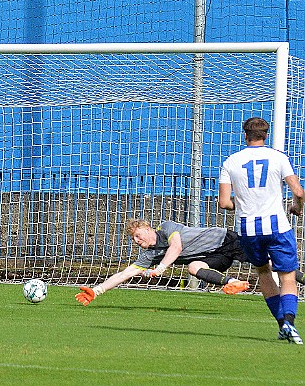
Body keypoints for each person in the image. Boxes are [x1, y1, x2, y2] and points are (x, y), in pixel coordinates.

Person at [218, 116, 304, 345]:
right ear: (266, 135)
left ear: (245, 135)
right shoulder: (278, 157)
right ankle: (289, 322)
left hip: (248, 229)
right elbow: (299, 190)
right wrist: (297, 207)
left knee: (264, 272)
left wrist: (245, 203)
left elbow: (224, 202)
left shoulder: (231, 161)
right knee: (287, 276)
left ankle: (281, 325)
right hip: (278, 227)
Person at [75, 218, 251, 306]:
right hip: (214, 256)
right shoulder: (150, 254)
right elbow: (125, 273)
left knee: (267, 264)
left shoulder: (166, 228)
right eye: (133, 238)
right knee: (194, 267)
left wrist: (160, 269)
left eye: (137, 235)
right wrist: (97, 290)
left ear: (147, 228)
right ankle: (234, 283)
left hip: (225, 240)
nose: (136, 240)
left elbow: (176, 247)